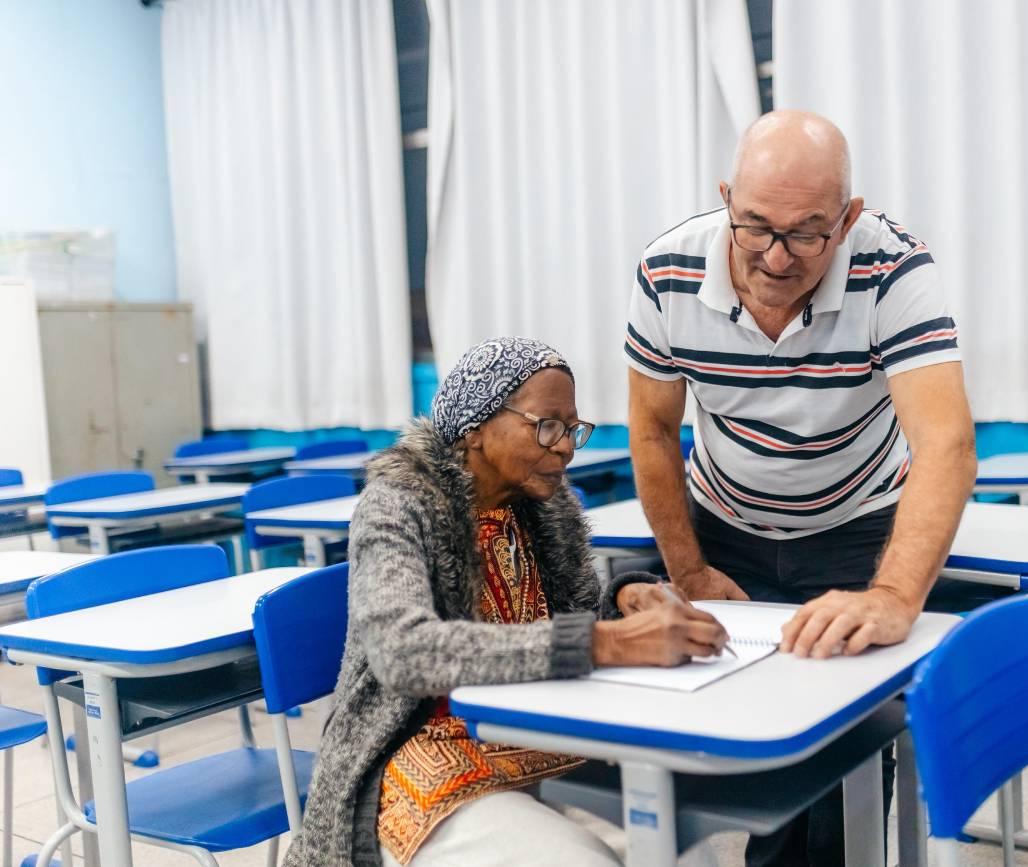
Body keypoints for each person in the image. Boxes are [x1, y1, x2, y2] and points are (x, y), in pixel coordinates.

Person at [625, 110, 977, 865]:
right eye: (754, 227)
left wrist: (892, 597)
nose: (776, 258)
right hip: (725, 523)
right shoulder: (667, 271)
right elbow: (653, 431)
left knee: (842, 746)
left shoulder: (895, 268)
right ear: (727, 198)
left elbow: (944, 442)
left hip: (855, 525)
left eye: (809, 233)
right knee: (748, 731)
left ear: (848, 218)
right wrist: (688, 570)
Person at [283, 336, 729, 867]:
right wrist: (602, 640)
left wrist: (627, 598)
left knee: (684, 848)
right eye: (546, 425)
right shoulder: (398, 506)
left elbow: (573, 624)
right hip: (424, 747)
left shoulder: (544, 507)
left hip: (538, 731)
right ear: (475, 427)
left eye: (571, 429)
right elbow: (402, 652)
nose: (565, 446)